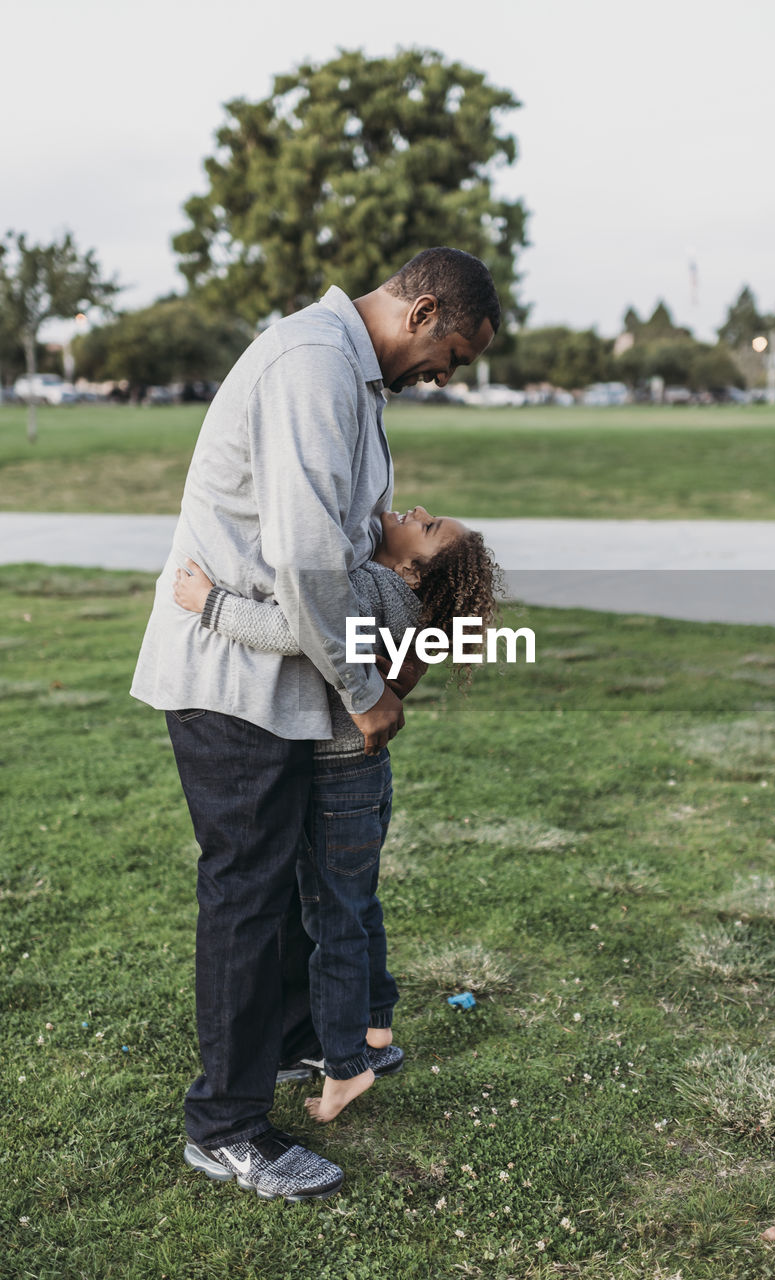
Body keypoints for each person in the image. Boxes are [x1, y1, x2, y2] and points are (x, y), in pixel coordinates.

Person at [130, 248, 499, 1200]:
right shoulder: (311, 364)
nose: (446, 376)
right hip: (232, 678)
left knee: (293, 884)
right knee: (247, 898)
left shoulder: (355, 380)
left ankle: (300, 1042)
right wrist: (370, 691)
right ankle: (226, 1129)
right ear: (422, 312)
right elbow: (304, 561)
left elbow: (348, 543)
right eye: (451, 352)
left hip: (284, 681)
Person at [172, 505, 503, 1122]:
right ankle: (376, 1027)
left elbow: (299, 629)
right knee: (357, 906)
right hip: (367, 778)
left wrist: (209, 603)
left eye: (427, 528)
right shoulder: (403, 599)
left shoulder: (373, 588)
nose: (419, 511)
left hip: (338, 778)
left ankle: (347, 1065)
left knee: (334, 923)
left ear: (409, 573)